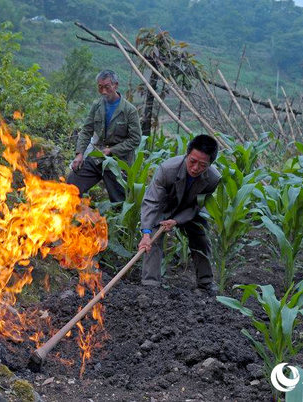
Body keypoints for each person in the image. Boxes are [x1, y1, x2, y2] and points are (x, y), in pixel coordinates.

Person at [138, 135, 221, 296]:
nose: (195, 168)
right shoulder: (167, 169)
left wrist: (177, 220)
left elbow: (197, 205)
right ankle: (150, 286)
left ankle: (205, 283)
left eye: (202, 165)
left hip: (190, 210)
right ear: (187, 155)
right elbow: (151, 201)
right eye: (192, 161)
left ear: (210, 164)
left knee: (201, 236)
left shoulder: (213, 178)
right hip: (164, 206)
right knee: (153, 236)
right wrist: (146, 233)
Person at [67, 70, 141, 202]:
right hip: (98, 157)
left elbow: (135, 139)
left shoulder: (129, 110)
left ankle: (117, 221)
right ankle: (70, 216)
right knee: (72, 183)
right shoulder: (97, 105)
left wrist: (112, 150)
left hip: (119, 162)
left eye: (107, 87)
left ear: (115, 85)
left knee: (119, 200)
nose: (104, 91)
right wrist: (79, 154)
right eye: (100, 87)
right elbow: (86, 130)